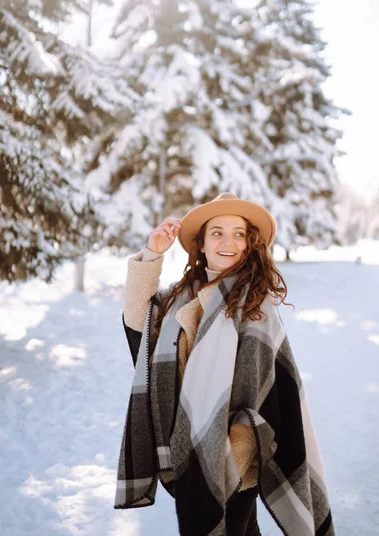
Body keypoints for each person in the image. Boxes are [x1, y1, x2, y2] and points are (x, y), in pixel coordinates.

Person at [114, 193, 335, 536]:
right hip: (186, 446)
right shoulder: (182, 295)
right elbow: (138, 319)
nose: (227, 241)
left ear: (250, 244)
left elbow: (263, 396)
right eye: (216, 232)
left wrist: (224, 462)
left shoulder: (255, 304)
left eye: (238, 233)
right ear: (200, 244)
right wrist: (153, 252)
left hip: (230, 459)